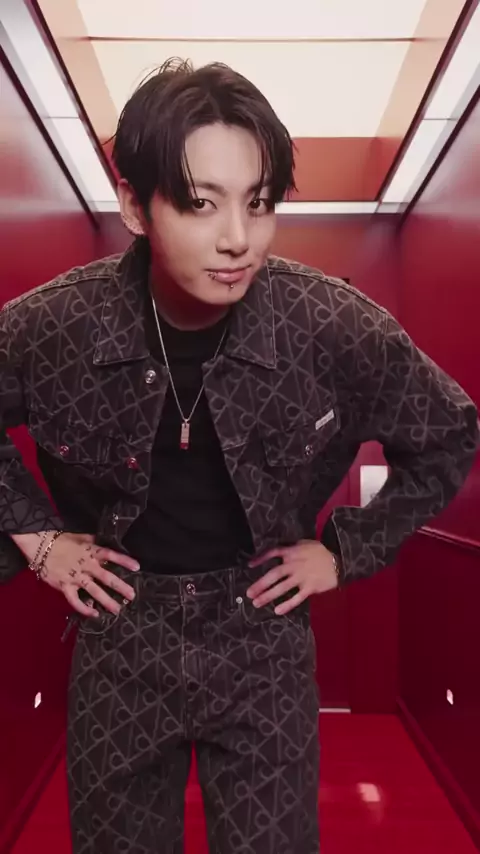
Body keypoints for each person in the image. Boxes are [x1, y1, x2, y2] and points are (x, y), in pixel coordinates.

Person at [0, 58, 478, 854]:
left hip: (263, 638)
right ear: (135, 205)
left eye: (259, 204)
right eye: (201, 202)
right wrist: (38, 541)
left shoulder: (330, 324)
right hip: (121, 637)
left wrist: (344, 551)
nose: (238, 239)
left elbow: (451, 430)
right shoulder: (58, 327)